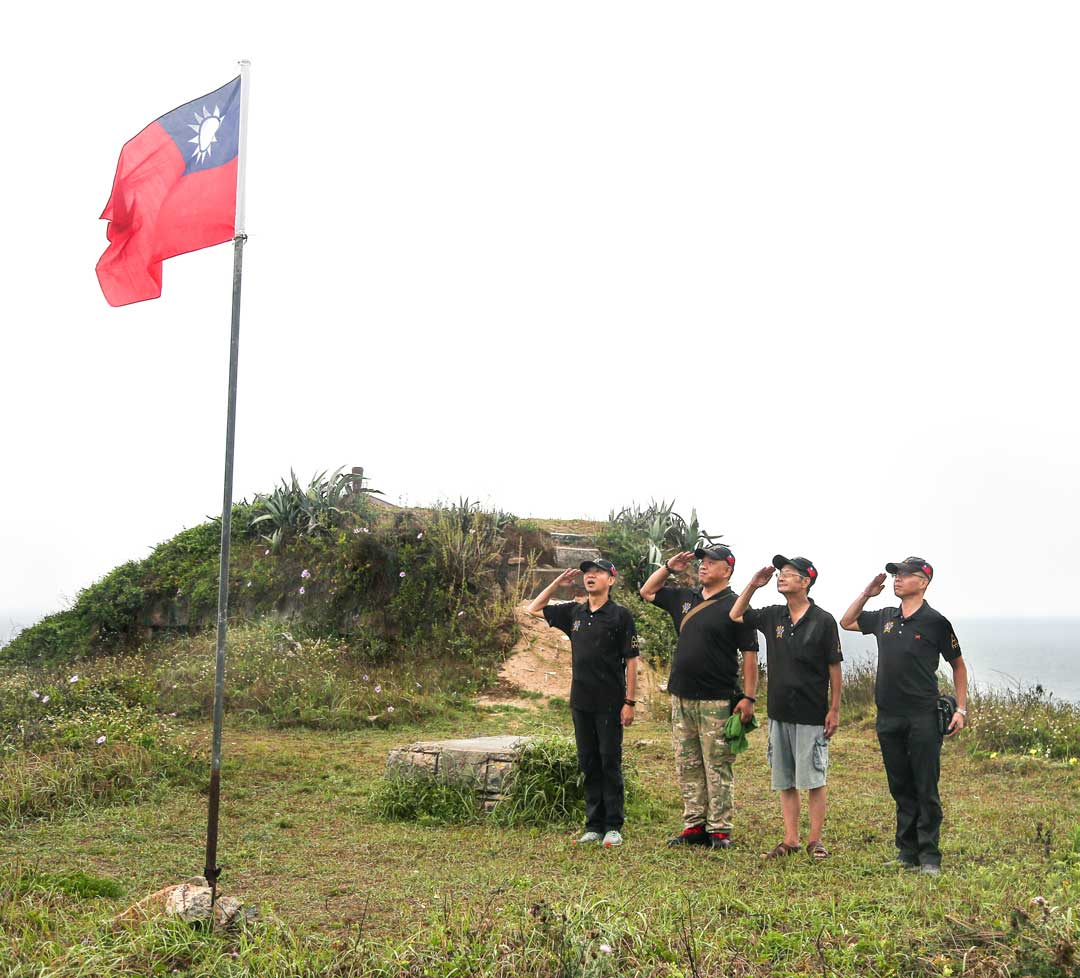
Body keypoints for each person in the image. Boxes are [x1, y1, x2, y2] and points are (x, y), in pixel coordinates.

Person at [839, 557, 968, 875]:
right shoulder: (886, 616)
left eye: (904, 575)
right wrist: (867, 593)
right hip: (889, 716)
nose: (896, 579)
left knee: (925, 785)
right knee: (900, 785)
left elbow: (958, 665)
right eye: (895, 574)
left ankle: (929, 857)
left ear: (923, 582)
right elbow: (846, 621)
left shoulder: (936, 622)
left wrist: (961, 709)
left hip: (923, 715)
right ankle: (906, 853)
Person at [639, 546, 759, 849]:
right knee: (687, 762)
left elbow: (749, 655)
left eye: (711, 563)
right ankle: (694, 825)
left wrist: (748, 697)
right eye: (702, 562)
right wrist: (669, 567)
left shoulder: (736, 605)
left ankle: (719, 829)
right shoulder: (684, 597)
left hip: (717, 698)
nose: (703, 567)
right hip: (681, 695)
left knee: (717, 764)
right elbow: (647, 591)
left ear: (727, 570)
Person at [730, 555, 843, 860]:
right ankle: (791, 839)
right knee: (785, 779)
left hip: (812, 713)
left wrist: (834, 709)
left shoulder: (823, 620)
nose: (781, 576)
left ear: (805, 581)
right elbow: (737, 615)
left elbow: (834, 668)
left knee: (814, 779)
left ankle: (815, 840)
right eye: (781, 572)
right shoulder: (773, 616)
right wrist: (753, 585)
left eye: (789, 574)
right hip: (779, 712)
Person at [527, 559, 638, 847]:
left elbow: (632, 661)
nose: (591, 576)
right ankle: (593, 825)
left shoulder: (620, 616)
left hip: (611, 702)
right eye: (588, 573)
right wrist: (555, 584)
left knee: (609, 762)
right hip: (581, 701)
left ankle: (613, 825)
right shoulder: (574, 612)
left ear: (610, 580)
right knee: (588, 762)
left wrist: (630, 701)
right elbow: (534, 608)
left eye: (598, 572)